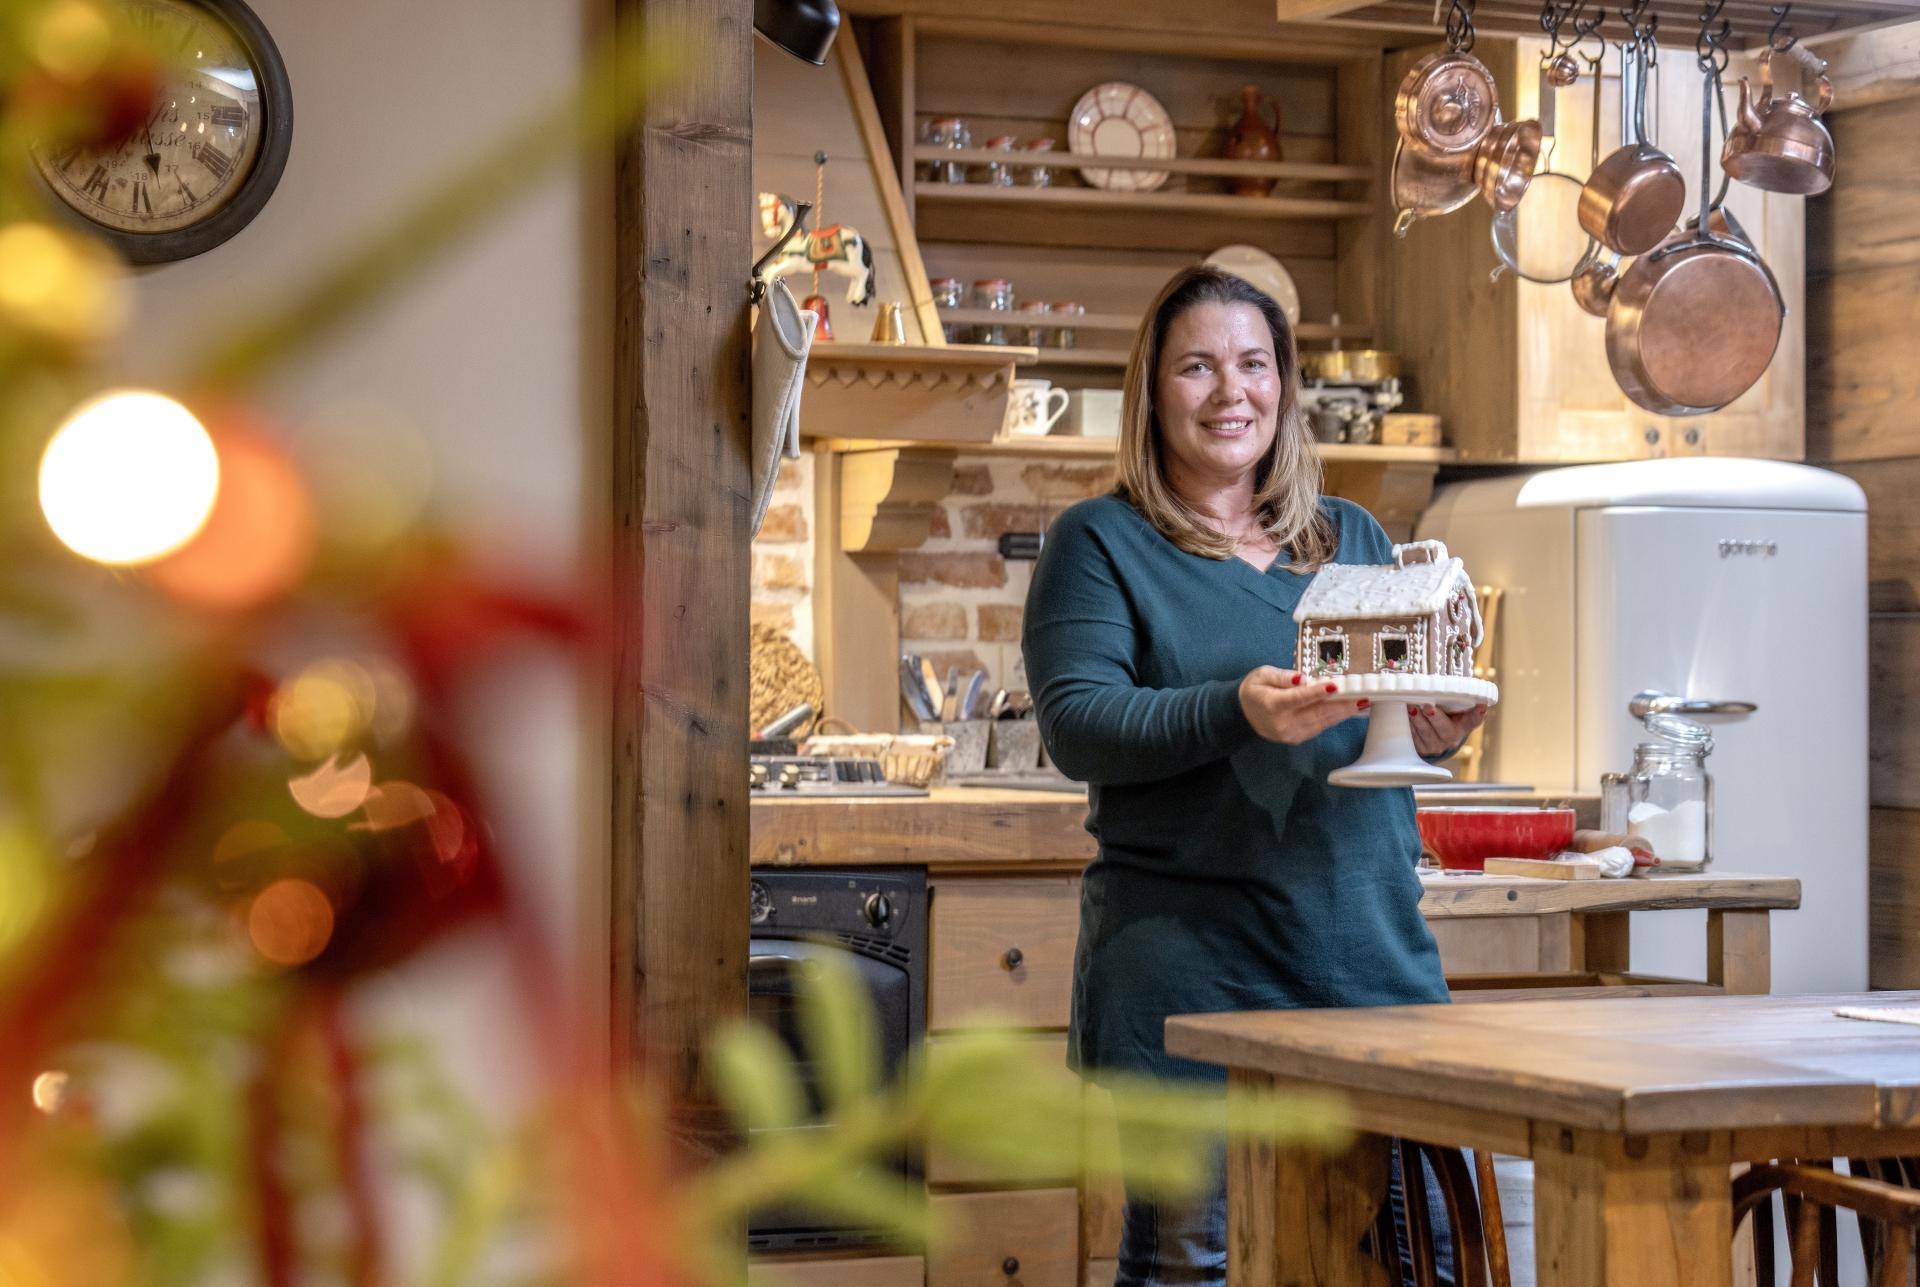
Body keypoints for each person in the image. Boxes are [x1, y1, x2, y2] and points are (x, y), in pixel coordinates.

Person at [1021, 265, 1488, 1285]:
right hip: (1193, 975)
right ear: (1153, 391)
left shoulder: (1352, 537)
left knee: (1433, 1257)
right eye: (1197, 366)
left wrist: (1434, 729)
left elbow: (1384, 718)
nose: (1231, 391)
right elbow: (1080, 725)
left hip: (1367, 958)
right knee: (1193, 1267)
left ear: (1284, 384)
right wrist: (1238, 708)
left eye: (1253, 363)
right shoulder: (1100, 543)